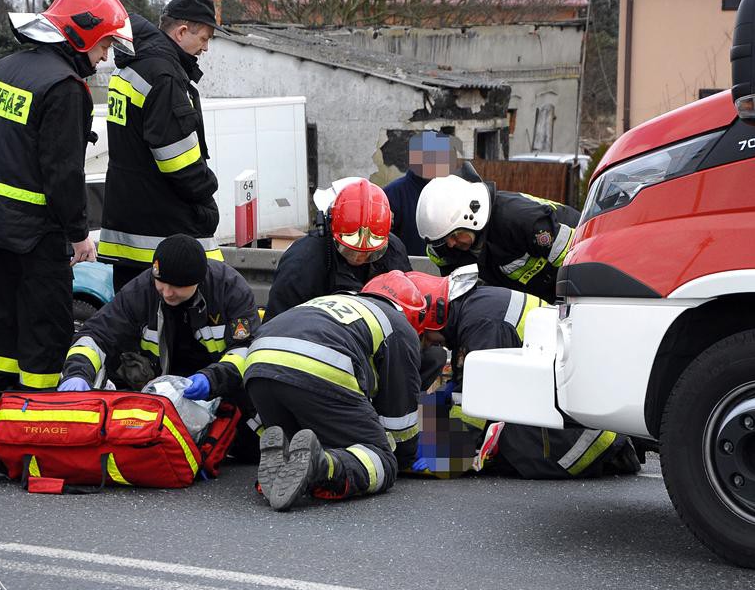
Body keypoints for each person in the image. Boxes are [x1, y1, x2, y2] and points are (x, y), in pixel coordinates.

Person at [0, 0, 133, 413]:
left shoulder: (6, 68)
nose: (106, 56)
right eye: (105, 44)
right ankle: (35, 423)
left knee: (5, 321)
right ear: (82, 34)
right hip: (36, 235)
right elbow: (63, 176)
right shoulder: (66, 87)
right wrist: (79, 235)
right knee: (46, 328)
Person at [406, 268, 641, 479]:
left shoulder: (483, 323)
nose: (427, 345)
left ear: (432, 319)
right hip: (577, 415)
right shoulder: (474, 309)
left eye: (424, 336)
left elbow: (481, 399)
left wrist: (450, 453)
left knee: (499, 445)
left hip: (577, 436)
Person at [245, 271, 426, 511]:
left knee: (304, 442)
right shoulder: (400, 326)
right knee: (382, 460)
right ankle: (322, 465)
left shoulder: (334, 302)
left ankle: (288, 460)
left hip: (258, 361)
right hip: (317, 364)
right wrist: (401, 455)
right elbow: (398, 418)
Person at [99, 0, 228, 293]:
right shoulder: (165, 76)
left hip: (129, 232)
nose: (205, 48)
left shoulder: (131, 66)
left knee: (132, 327)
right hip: (165, 236)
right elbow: (178, 162)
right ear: (182, 32)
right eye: (204, 38)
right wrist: (208, 194)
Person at [58, 234, 258, 406]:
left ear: (197, 281)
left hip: (224, 392)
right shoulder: (141, 290)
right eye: (161, 283)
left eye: (176, 286)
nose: (167, 293)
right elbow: (97, 335)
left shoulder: (228, 290)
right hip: (159, 394)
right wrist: (77, 374)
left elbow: (244, 349)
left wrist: (211, 379)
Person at [415, 175, 581, 304]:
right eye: (444, 240)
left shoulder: (518, 220)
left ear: (473, 218)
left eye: (454, 235)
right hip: (533, 294)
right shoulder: (443, 249)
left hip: (575, 263)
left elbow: (576, 263)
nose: (450, 244)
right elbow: (457, 293)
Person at [264, 179, 412, 319]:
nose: (358, 257)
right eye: (350, 250)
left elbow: (408, 309)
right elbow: (278, 322)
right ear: (329, 225)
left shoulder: (393, 251)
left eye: (369, 252)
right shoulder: (302, 263)